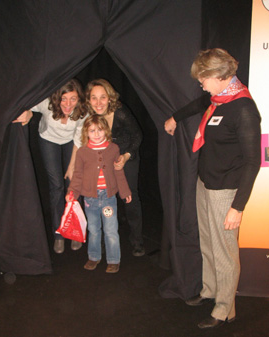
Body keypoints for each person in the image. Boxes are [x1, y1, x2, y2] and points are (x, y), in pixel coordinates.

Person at [164, 48, 261, 329]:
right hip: (205, 183)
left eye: (202, 78)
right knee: (208, 244)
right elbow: (197, 105)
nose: (200, 83)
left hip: (226, 191)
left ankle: (225, 310)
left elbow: (253, 162)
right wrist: (175, 117)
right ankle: (210, 291)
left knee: (224, 252)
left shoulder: (242, 108)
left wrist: (237, 207)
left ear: (218, 76)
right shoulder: (219, 99)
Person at [13, 79, 87, 254]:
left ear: (79, 99)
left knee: (74, 186)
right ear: (57, 98)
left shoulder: (83, 112)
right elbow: (28, 104)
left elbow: (79, 139)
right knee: (56, 186)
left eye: (73, 99)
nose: (68, 104)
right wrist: (29, 114)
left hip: (72, 143)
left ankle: (76, 232)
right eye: (64, 99)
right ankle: (58, 234)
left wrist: (72, 167)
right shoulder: (47, 103)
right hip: (48, 140)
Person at [85, 79, 145, 257]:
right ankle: (102, 240)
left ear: (110, 98)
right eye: (94, 98)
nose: (98, 103)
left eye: (102, 97)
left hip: (126, 156)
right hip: (104, 160)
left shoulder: (120, 113)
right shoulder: (90, 116)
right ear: (88, 100)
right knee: (102, 198)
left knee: (129, 196)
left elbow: (137, 135)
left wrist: (126, 156)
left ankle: (137, 240)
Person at [66, 114, 132, 273]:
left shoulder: (113, 149)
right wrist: (72, 192)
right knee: (94, 229)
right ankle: (94, 257)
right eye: (92, 130)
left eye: (100, 129)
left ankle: (114, 259)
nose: (96, 133)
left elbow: (118, 172)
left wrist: (125, 191)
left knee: (111, 230)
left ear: (106, 130)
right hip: (90, 198)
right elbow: (78, 175)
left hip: (108, 197)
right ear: (86, 133)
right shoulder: (82, 152)